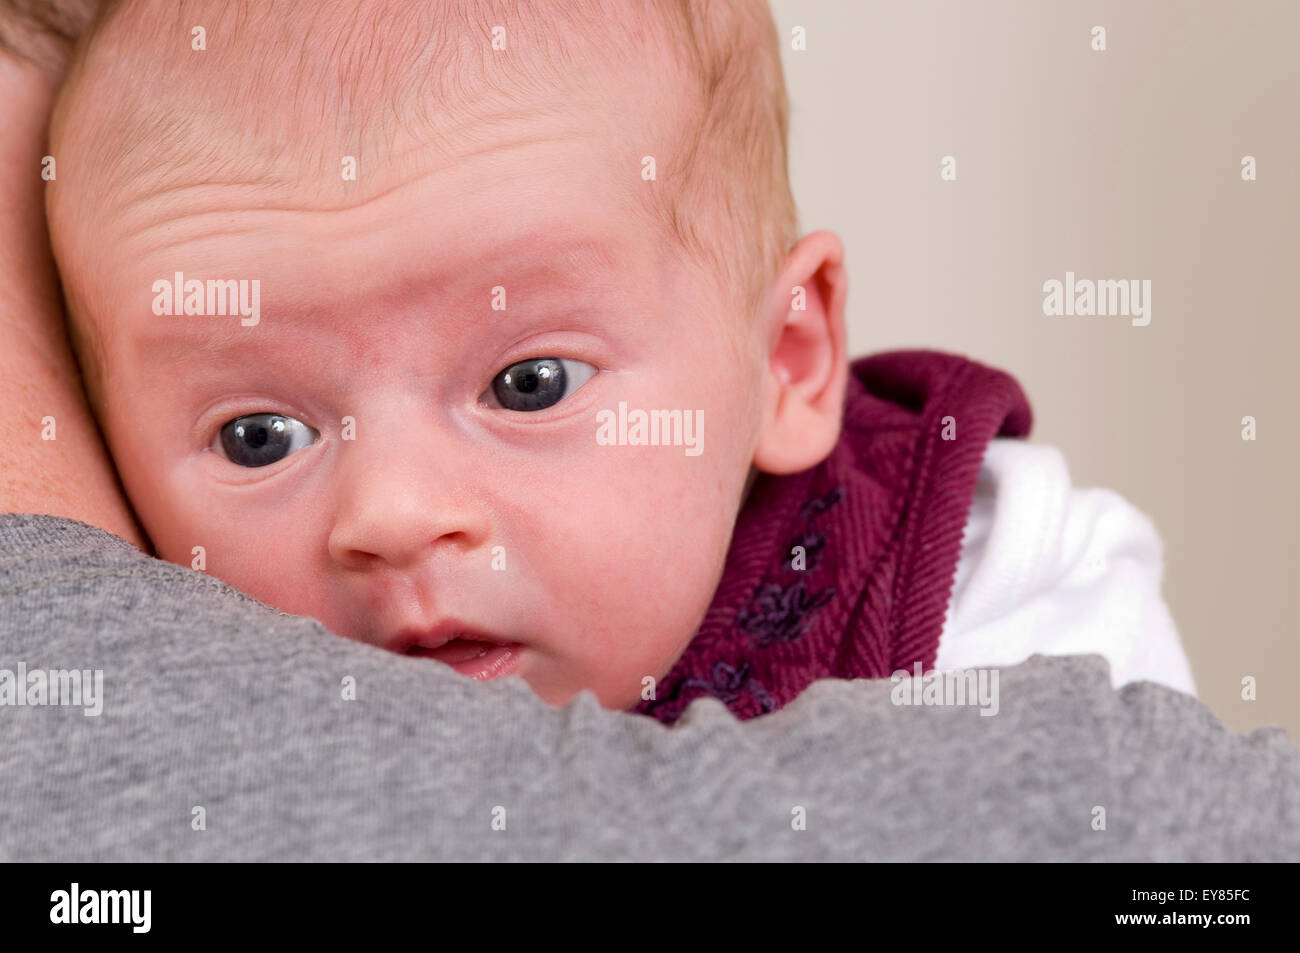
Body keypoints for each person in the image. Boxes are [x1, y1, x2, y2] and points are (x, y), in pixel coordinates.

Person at [1, 0, 1296, 861]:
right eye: (259, 437)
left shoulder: (978, 581)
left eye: (528, 385)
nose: (392, 511)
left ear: (786, 360)